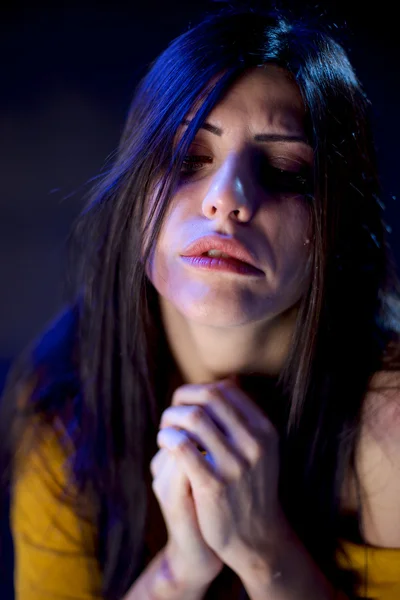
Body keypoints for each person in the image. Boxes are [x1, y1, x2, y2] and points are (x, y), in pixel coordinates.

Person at [1, 3, 400, 600]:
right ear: (135, 198)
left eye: (286, 169)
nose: (227, 199)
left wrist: (265, 551)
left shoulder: (391, 424)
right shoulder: (64, 398)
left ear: (336, 224)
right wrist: (179, 570)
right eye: (189, 157)